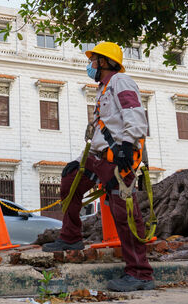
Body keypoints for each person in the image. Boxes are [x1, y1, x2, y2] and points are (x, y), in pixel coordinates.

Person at [42, 42, 154, 292]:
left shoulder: (121, 82)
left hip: (120, 157)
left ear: (104, 62)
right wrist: (86, 156)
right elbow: (104, 128)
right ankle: (71, 238)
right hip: (100, 155)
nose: (90, 65)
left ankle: (140, 273)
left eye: (94, 61)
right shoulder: (104, 89)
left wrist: (128, 144)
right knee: (71, 178)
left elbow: (134, 112)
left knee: (125, 213)